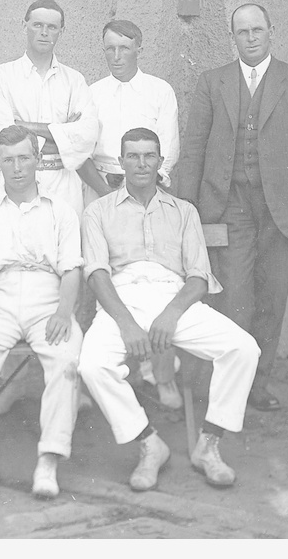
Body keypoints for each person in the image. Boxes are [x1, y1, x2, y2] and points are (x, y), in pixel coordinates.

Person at [78, 128, 260, 491]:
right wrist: (128, 324)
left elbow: (198, 277)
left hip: (173, 298)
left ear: (160, 162)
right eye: (133, 156)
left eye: (149, 156)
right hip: (121, 299)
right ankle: (149, 444)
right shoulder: (97, 212)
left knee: (243, 348)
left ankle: (208, 445)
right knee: (92, 365)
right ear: (121, 161)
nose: (141, 163)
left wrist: (171, 314)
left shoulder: (183, 211)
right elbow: (97, 275)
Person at [176, 3, 288, 412]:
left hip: (283, 210)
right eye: (242, 32)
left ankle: (257, 385)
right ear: (233, 37)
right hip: (229, 207)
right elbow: (193, 148)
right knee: (232, 299)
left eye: (257, 30)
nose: (250, 38)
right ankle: (228, 385)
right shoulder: (213, 82)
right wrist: (184, 209)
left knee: (272, 300)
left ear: (271, 32)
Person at [0, 124, 84, 500]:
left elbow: (72, 268)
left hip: (48, 296)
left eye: (24, 159)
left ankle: (49, 459)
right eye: (8, 160)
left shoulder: (61, 211)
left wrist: (64, 312)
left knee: (67, 357)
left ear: (37, 160)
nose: (17, 168)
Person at [80, 19, 181, 409]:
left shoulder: (159, 90)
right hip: (101, 188)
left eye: (124, 48)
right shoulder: (91, 94)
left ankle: (162, 374)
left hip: (149, 190)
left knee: (154, 274)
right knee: (102, 276)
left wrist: (143, 190)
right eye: (110, 49)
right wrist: (108, 193)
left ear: (139, 47)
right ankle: (104, 370)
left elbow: (168, 148)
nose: (117, 56)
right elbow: (82, 151)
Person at [0, 0, 98, 219]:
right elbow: (6, 138)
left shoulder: (74, 80)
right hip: (16, 181)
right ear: (24, 25)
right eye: (37, 25)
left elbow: (87, 135)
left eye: (52, 27)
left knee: (65, 249)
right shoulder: (1, 76)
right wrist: (65, 133)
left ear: (61, 31)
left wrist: (23, 126)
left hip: (65, 183)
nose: (44, 32)